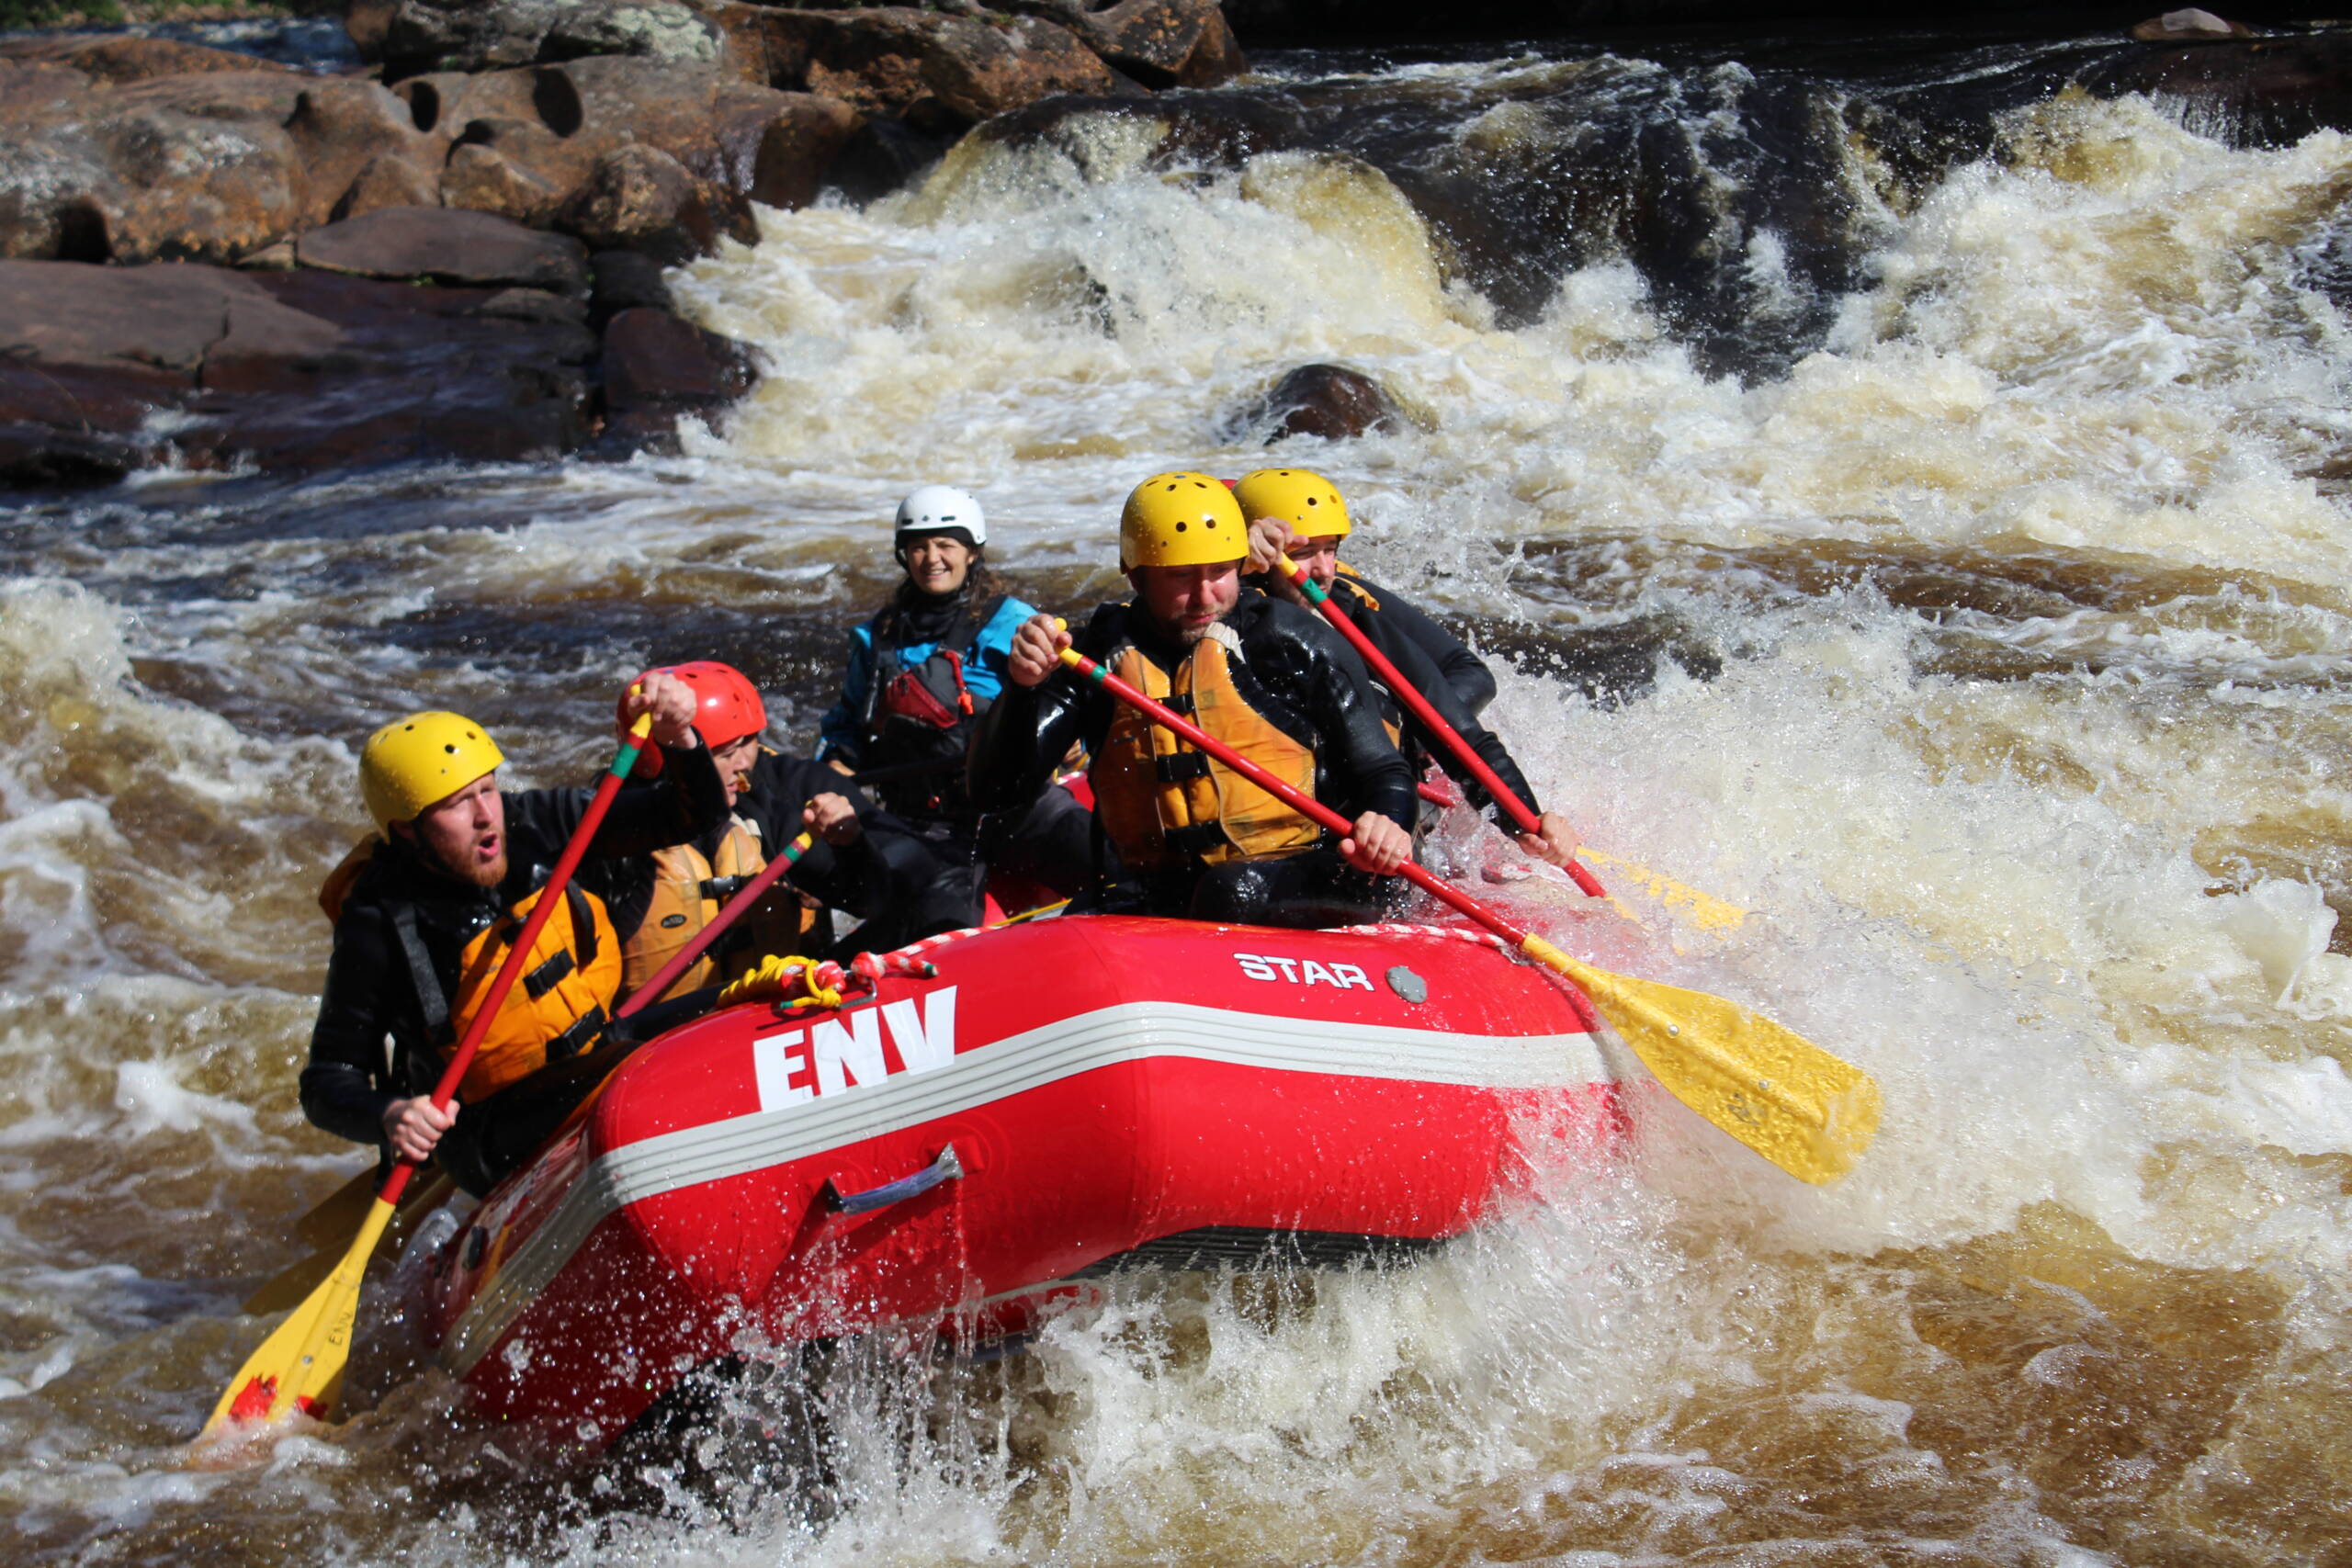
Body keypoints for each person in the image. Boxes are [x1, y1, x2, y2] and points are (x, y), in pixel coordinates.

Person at [302, 680, 727, 1196]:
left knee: (755, 1000)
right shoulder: (379, 922)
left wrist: (679, 736)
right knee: (639, 1069)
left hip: (600, 1049)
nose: (486, 814)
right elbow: (327, 1081)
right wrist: (391, 1114)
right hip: (492, 1130)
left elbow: (690, 814)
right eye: (457, 804)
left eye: (486, 789)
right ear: (408, 829)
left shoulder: (536, 824)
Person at [973, 471, 1417, 929]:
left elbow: (1382, 770)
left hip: (1310, 869)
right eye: (1182, 576)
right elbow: (996, 791)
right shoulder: (1095, 656)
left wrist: (1388, 822)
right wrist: (1023, 688)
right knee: (1082, 924)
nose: (1205, 596)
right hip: (1161, 889)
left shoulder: (1287, 641)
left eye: (1220, 572)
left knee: (1230, 892)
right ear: (1136, 574)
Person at [1233, 467, 1581, 869]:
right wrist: (1233, 562)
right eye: (1302, 553)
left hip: (1368, 807)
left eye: (1330, 549)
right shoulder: (1209, 606)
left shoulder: (1350, 609)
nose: (1323, 570)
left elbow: (1459, 730)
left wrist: (1525, 820)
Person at [816, 483, 1091, 931]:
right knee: (945, 929)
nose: (932, 558)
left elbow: (1057, 697)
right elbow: (846, 723)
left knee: (1111, 868)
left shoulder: (1012, 622)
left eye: (946, 545)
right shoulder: (876, 639)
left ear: (971, 553)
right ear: (904, 556)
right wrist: (834, 764)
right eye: (918, 547)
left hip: (1016, 805)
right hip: (929, 825)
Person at [583, 661, 900, 1001]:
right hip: (656, 1033)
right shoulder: (604, 836)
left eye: (747, 744)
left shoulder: (760, 813)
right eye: (726, 753)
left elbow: (871, 902)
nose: (745, 764)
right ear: (673, 757)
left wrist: (851, 844)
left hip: (769, 1013)